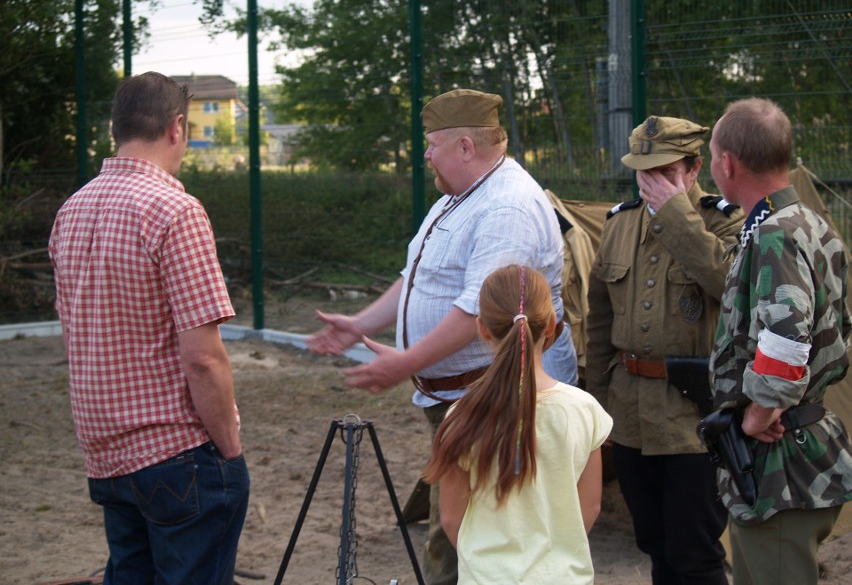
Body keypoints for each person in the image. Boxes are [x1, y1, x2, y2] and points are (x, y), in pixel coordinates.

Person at [307, 88, 577, 584]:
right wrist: (362, 324)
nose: (425, 154)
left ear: (466, 148)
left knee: (471, 538)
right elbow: (419, 276)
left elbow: (478, 309)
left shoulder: (507, 208)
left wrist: (405, 363)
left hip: (499, 400)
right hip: (466, 399)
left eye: (431, 144)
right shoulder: (461, 197)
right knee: (456, 530)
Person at [49, 72, 249, 584]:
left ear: (116, 128)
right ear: (177, 128)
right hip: (176, 453)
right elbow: (203, 357)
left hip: (105, 453)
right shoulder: (175, 211)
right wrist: (229, 451)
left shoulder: (71, 211)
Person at [585, 116, 743, 584]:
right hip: (631, 409)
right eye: (643, 171)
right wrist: (598, 403)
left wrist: (676, 211)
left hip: (695, 417)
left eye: (664, 171)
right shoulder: (619, 223)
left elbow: (730, 287)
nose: (651, 182)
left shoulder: (724, 219)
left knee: (695, 553)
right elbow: (599, 319)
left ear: (694, 169)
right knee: (654, 544)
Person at [707, 97, 852, 585]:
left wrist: (758, 412)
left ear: (727, 163)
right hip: (795, 450)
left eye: (711, 156)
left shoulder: (774, 234)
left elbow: (787, 339)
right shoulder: (808, 222)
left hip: (779, 466)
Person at [422, 265, 612, 584]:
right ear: (551, 325)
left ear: (482, 329)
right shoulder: (585, 410)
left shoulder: (461, 416)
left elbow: (451, 518)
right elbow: (589, 509)